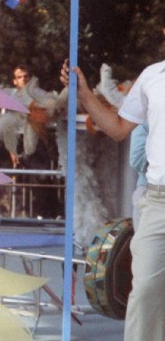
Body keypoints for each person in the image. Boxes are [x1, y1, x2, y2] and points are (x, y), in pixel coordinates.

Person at [61, 59, 165, 341]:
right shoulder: (152, 76)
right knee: (143, 292)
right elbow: (118, 128)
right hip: (158, 203)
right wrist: (85, 94)